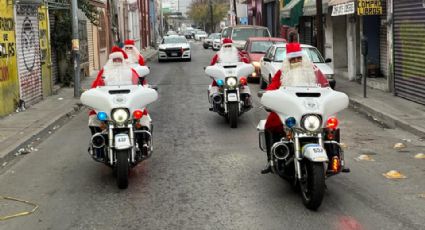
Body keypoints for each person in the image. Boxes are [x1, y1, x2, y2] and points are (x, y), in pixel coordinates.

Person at [261, 43, 329, 174]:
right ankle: (272, 160)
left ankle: (334, 158)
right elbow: (272, 88)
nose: (296, 62)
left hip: (312, 110)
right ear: (288, 61)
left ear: (303, 59)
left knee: (332, 125)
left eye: (299, 59)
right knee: (271, 124)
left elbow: (326, 87)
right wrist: (268, 98)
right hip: (288, 111)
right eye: (293, 60)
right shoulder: (282, 73)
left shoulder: (314, 72)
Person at [208, 38, 251, 111]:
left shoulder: (238, 54)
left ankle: (247, 99)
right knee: (215, 85)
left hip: (236, 76)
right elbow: (212, 64)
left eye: (229, 46)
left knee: (244, 83)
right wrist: (211, 69)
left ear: (232, 46)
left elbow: (246, 61)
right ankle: (215, 102)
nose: (228, 48)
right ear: (223, 47)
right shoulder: (218, 55)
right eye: (226, 46)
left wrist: (247, 65)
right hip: (223, 76)